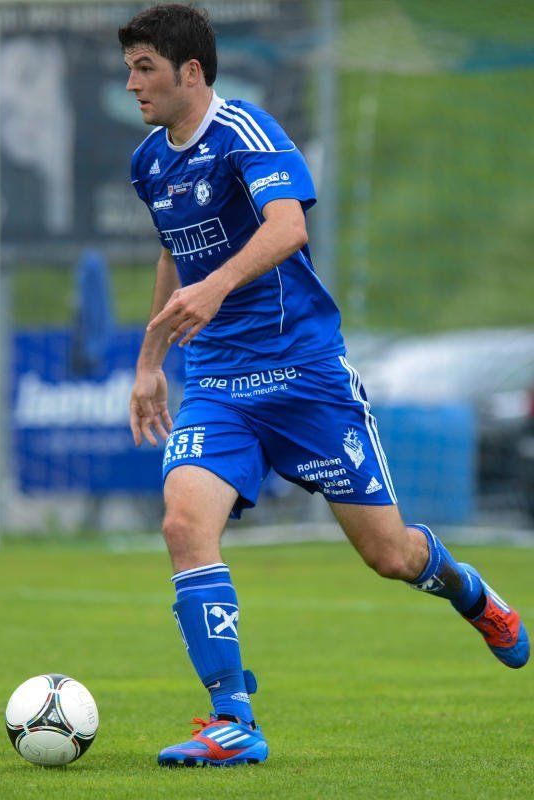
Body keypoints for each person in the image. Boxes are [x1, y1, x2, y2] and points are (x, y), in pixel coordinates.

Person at [120, 4, 529, 768]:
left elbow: (288, 228)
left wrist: (217, 288)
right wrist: (149, 363)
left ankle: (471, 592)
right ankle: (232, 719)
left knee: (391, 555)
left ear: (191, 71)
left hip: (306, 377)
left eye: (145, 68)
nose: (133, 84)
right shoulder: (149, 162)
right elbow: (172, 254)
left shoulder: (247, 133)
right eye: (129, 69)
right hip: (219, 382)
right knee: (182, 524)